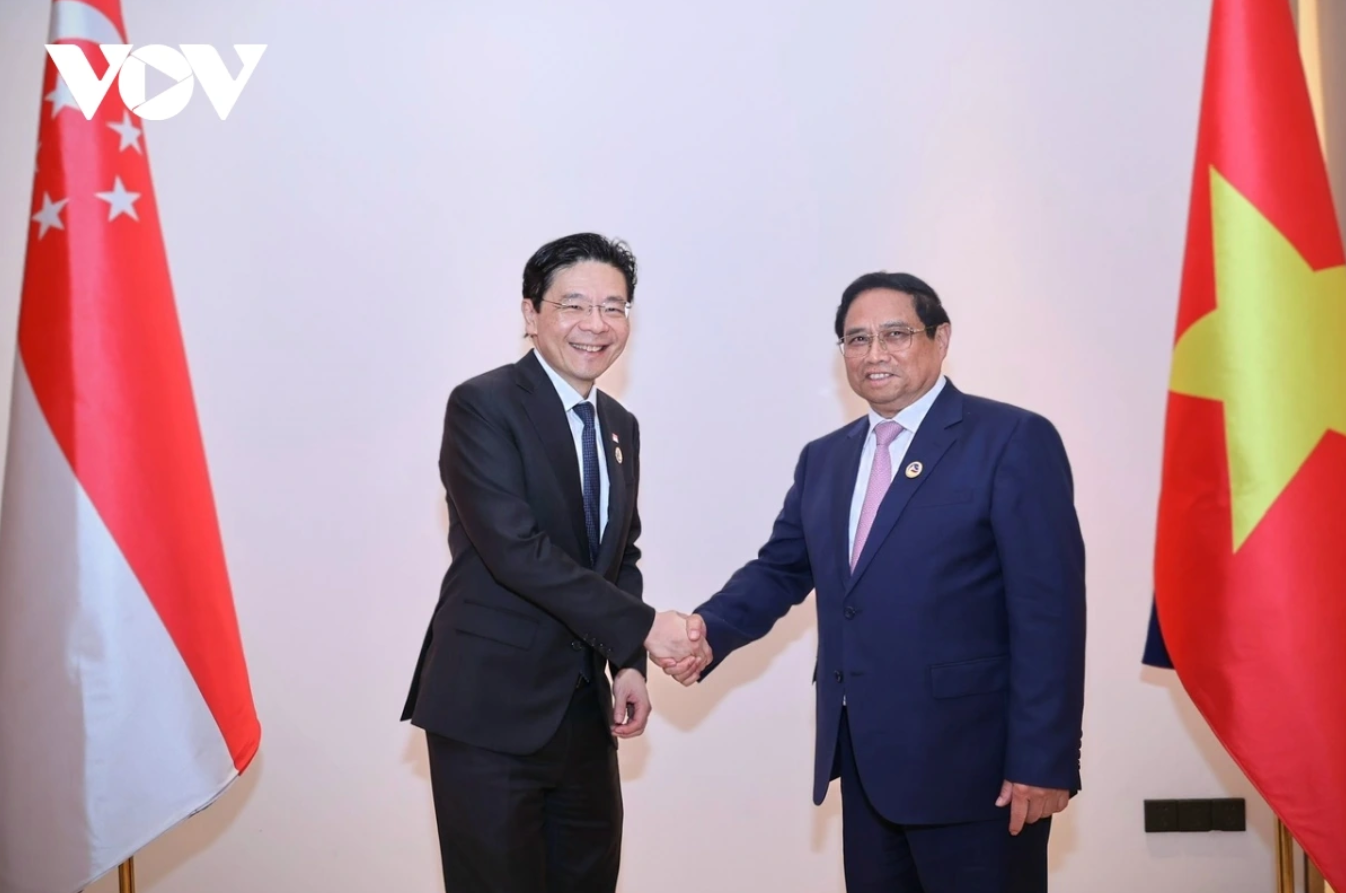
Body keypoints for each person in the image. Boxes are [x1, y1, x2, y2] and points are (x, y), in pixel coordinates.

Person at [667, 272, 1086, 893]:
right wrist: (706, 632)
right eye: (857, 339)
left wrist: (1044, 760)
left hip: (980, 772)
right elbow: (781, 568)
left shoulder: (1011, 439)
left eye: (896, 334)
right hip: (867, 765)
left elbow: (1050, 614)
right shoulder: (826, 459)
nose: (874, 353)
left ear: (941, 338)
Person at [402, 232, 703, 893]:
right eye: (574, 305)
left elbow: (620, 554)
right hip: (489, 711)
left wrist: (628, 662)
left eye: (614, 307)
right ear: (531, 313)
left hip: (584, 719)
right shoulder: (483, 405)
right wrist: (647, 626)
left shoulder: (620, 425)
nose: (596, 324)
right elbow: (517, 550)